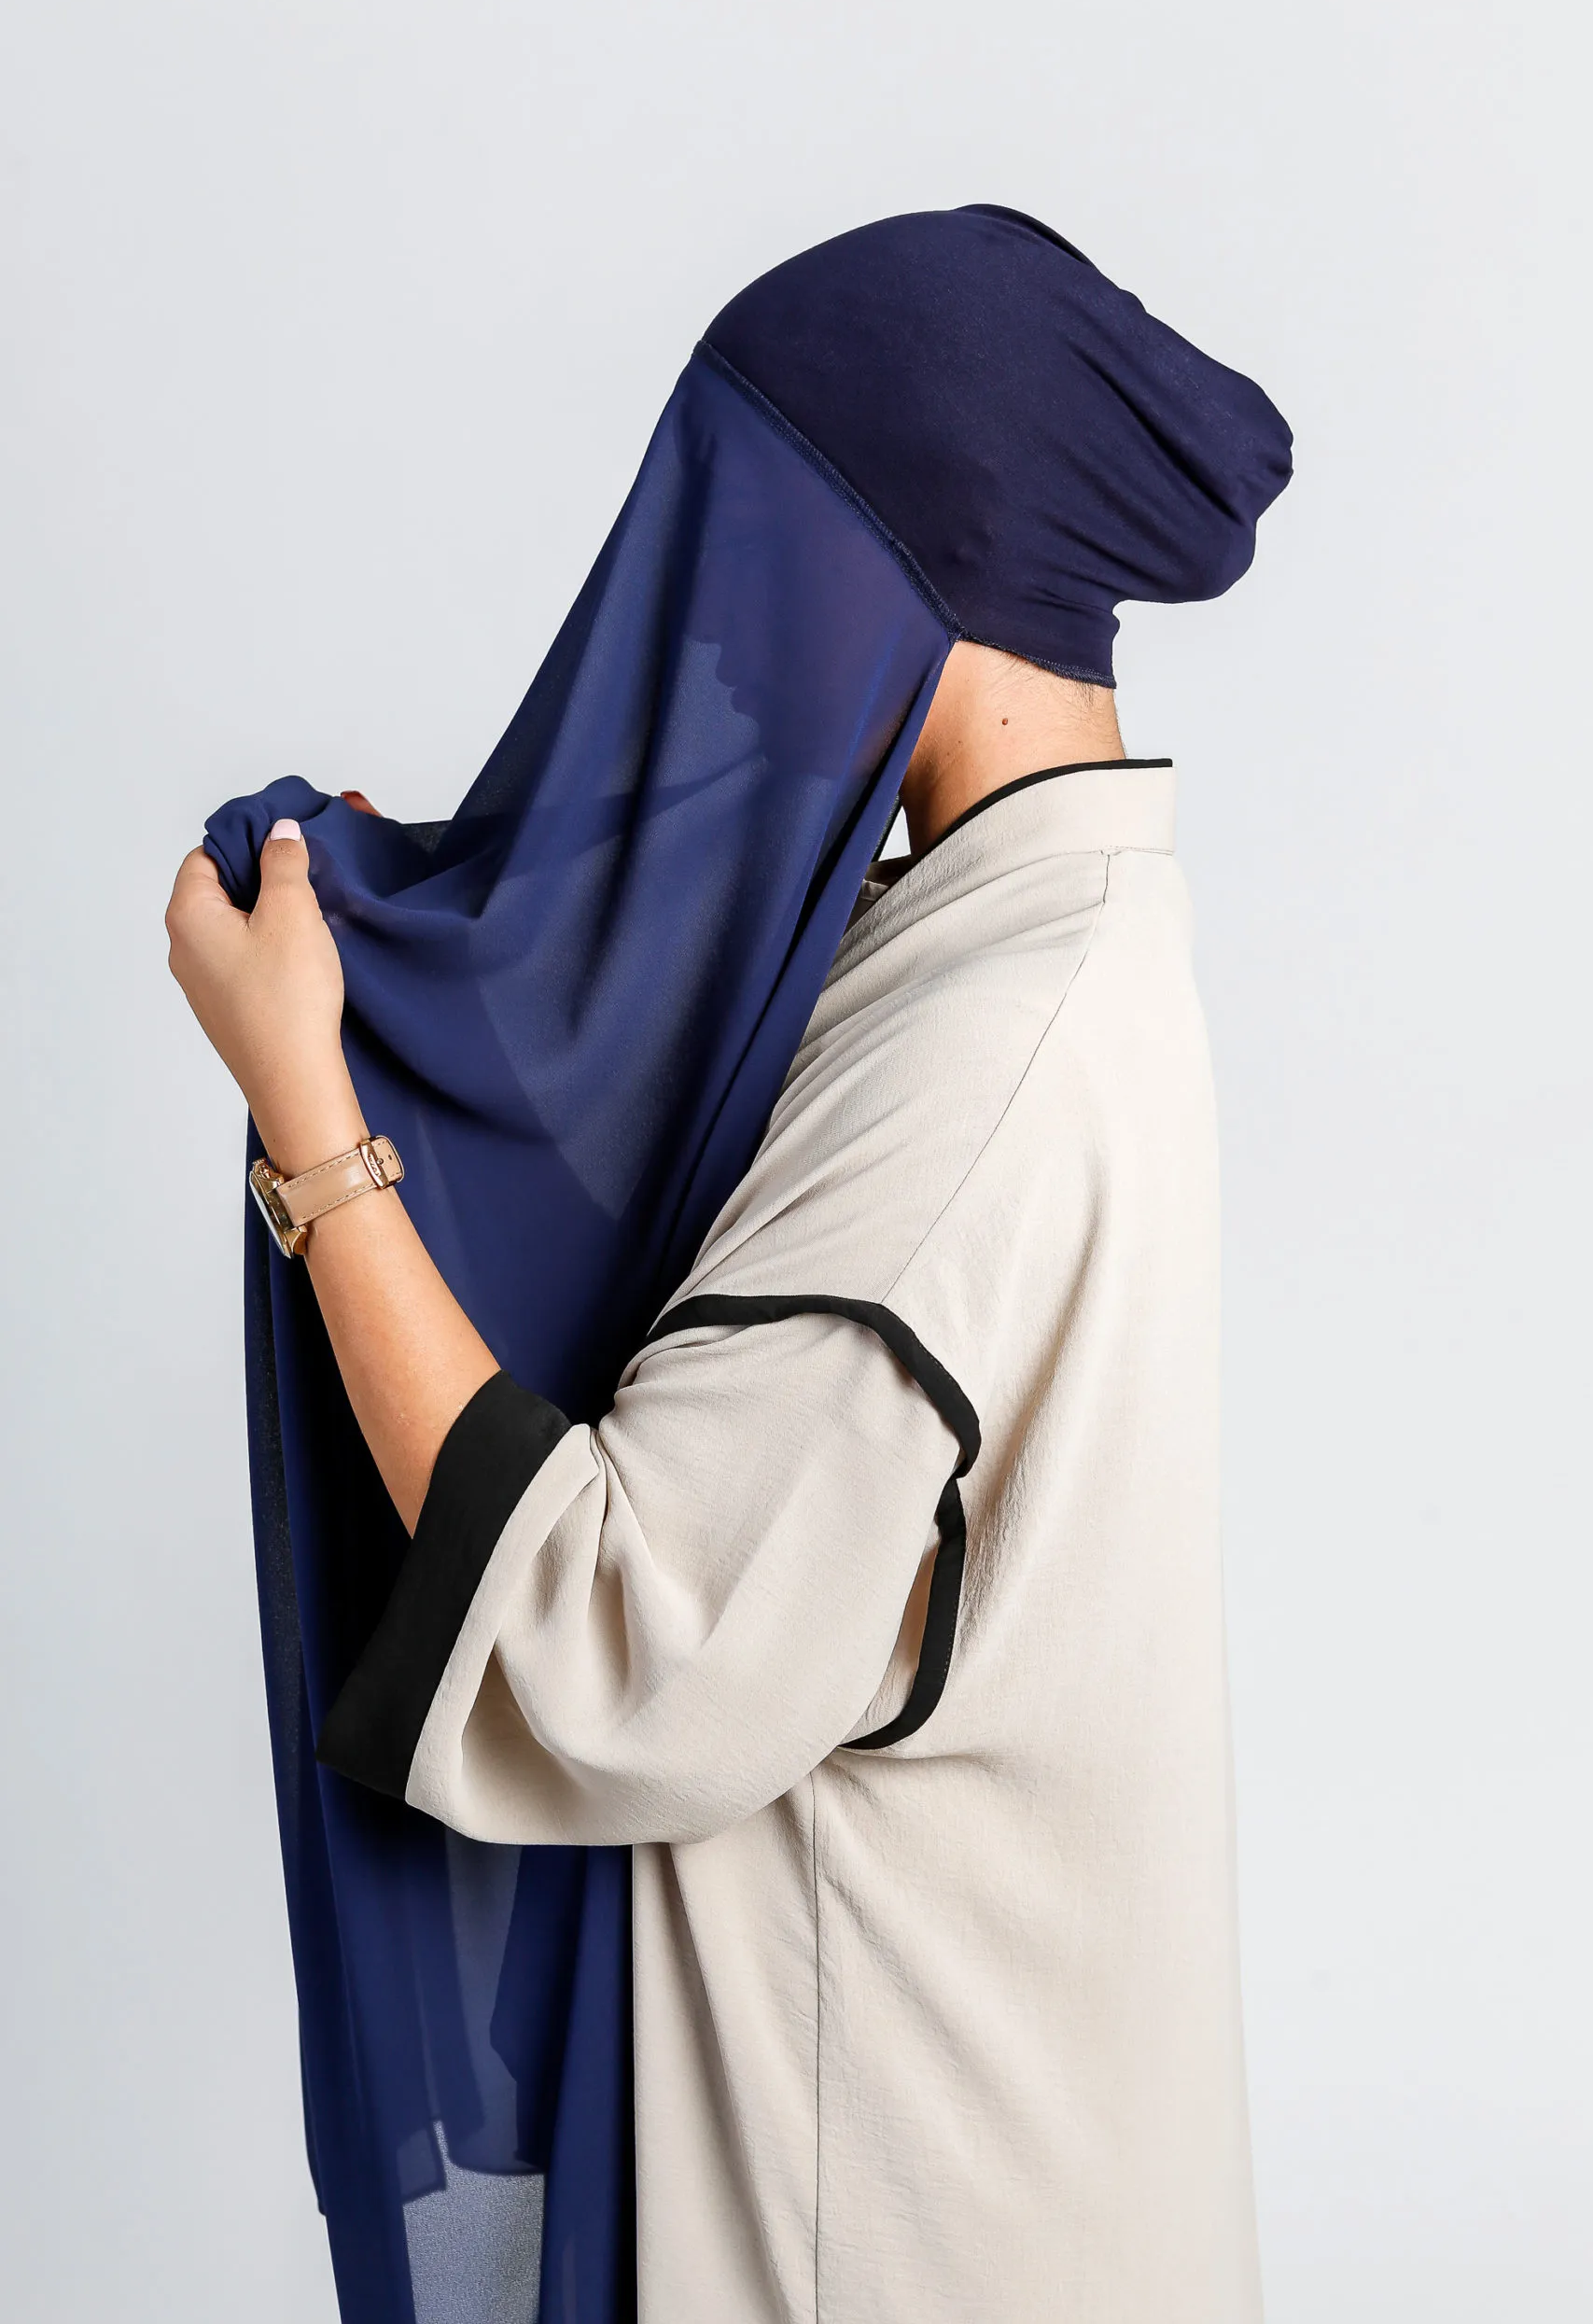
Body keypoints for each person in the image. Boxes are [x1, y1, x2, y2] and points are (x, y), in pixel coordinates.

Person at [173, 207, 1291, 2323]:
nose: (703, 616)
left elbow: (616, 1639)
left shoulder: (981, 1061)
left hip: (902, 2227)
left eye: (751, 535)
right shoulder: (1028, 944)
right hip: (1008, 2173)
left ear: (917, 561)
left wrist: (316, 1124)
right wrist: (409, 979)